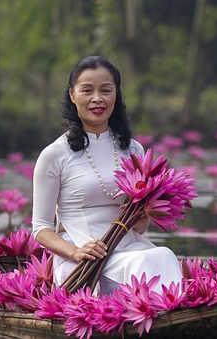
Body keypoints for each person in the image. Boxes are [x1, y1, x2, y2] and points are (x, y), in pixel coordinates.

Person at [32, 55, 182, 295]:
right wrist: (75, 252)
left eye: (106, 90)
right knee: (143, 265)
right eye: (87, 90)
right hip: (81, 261)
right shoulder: (54, 154)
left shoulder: (133, 150)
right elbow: (40, 228)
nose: (97, 99)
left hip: (128, 247)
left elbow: (140, 228)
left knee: (164, 255)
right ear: (72, 94)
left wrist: (142, 214)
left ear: (116, 95)